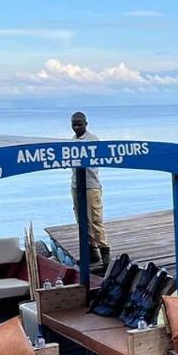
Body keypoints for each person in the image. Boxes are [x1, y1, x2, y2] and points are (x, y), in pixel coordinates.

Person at [70, 111, 110, 270]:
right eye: (74, 124)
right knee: (81, 218)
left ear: (86, 124)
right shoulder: (72, 141)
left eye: (79, 123)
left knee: (95, 218)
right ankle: (91, 250)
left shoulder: (92, 139)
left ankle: (104, 251)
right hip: (75, 184)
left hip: (91, 184)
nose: (76, 127)